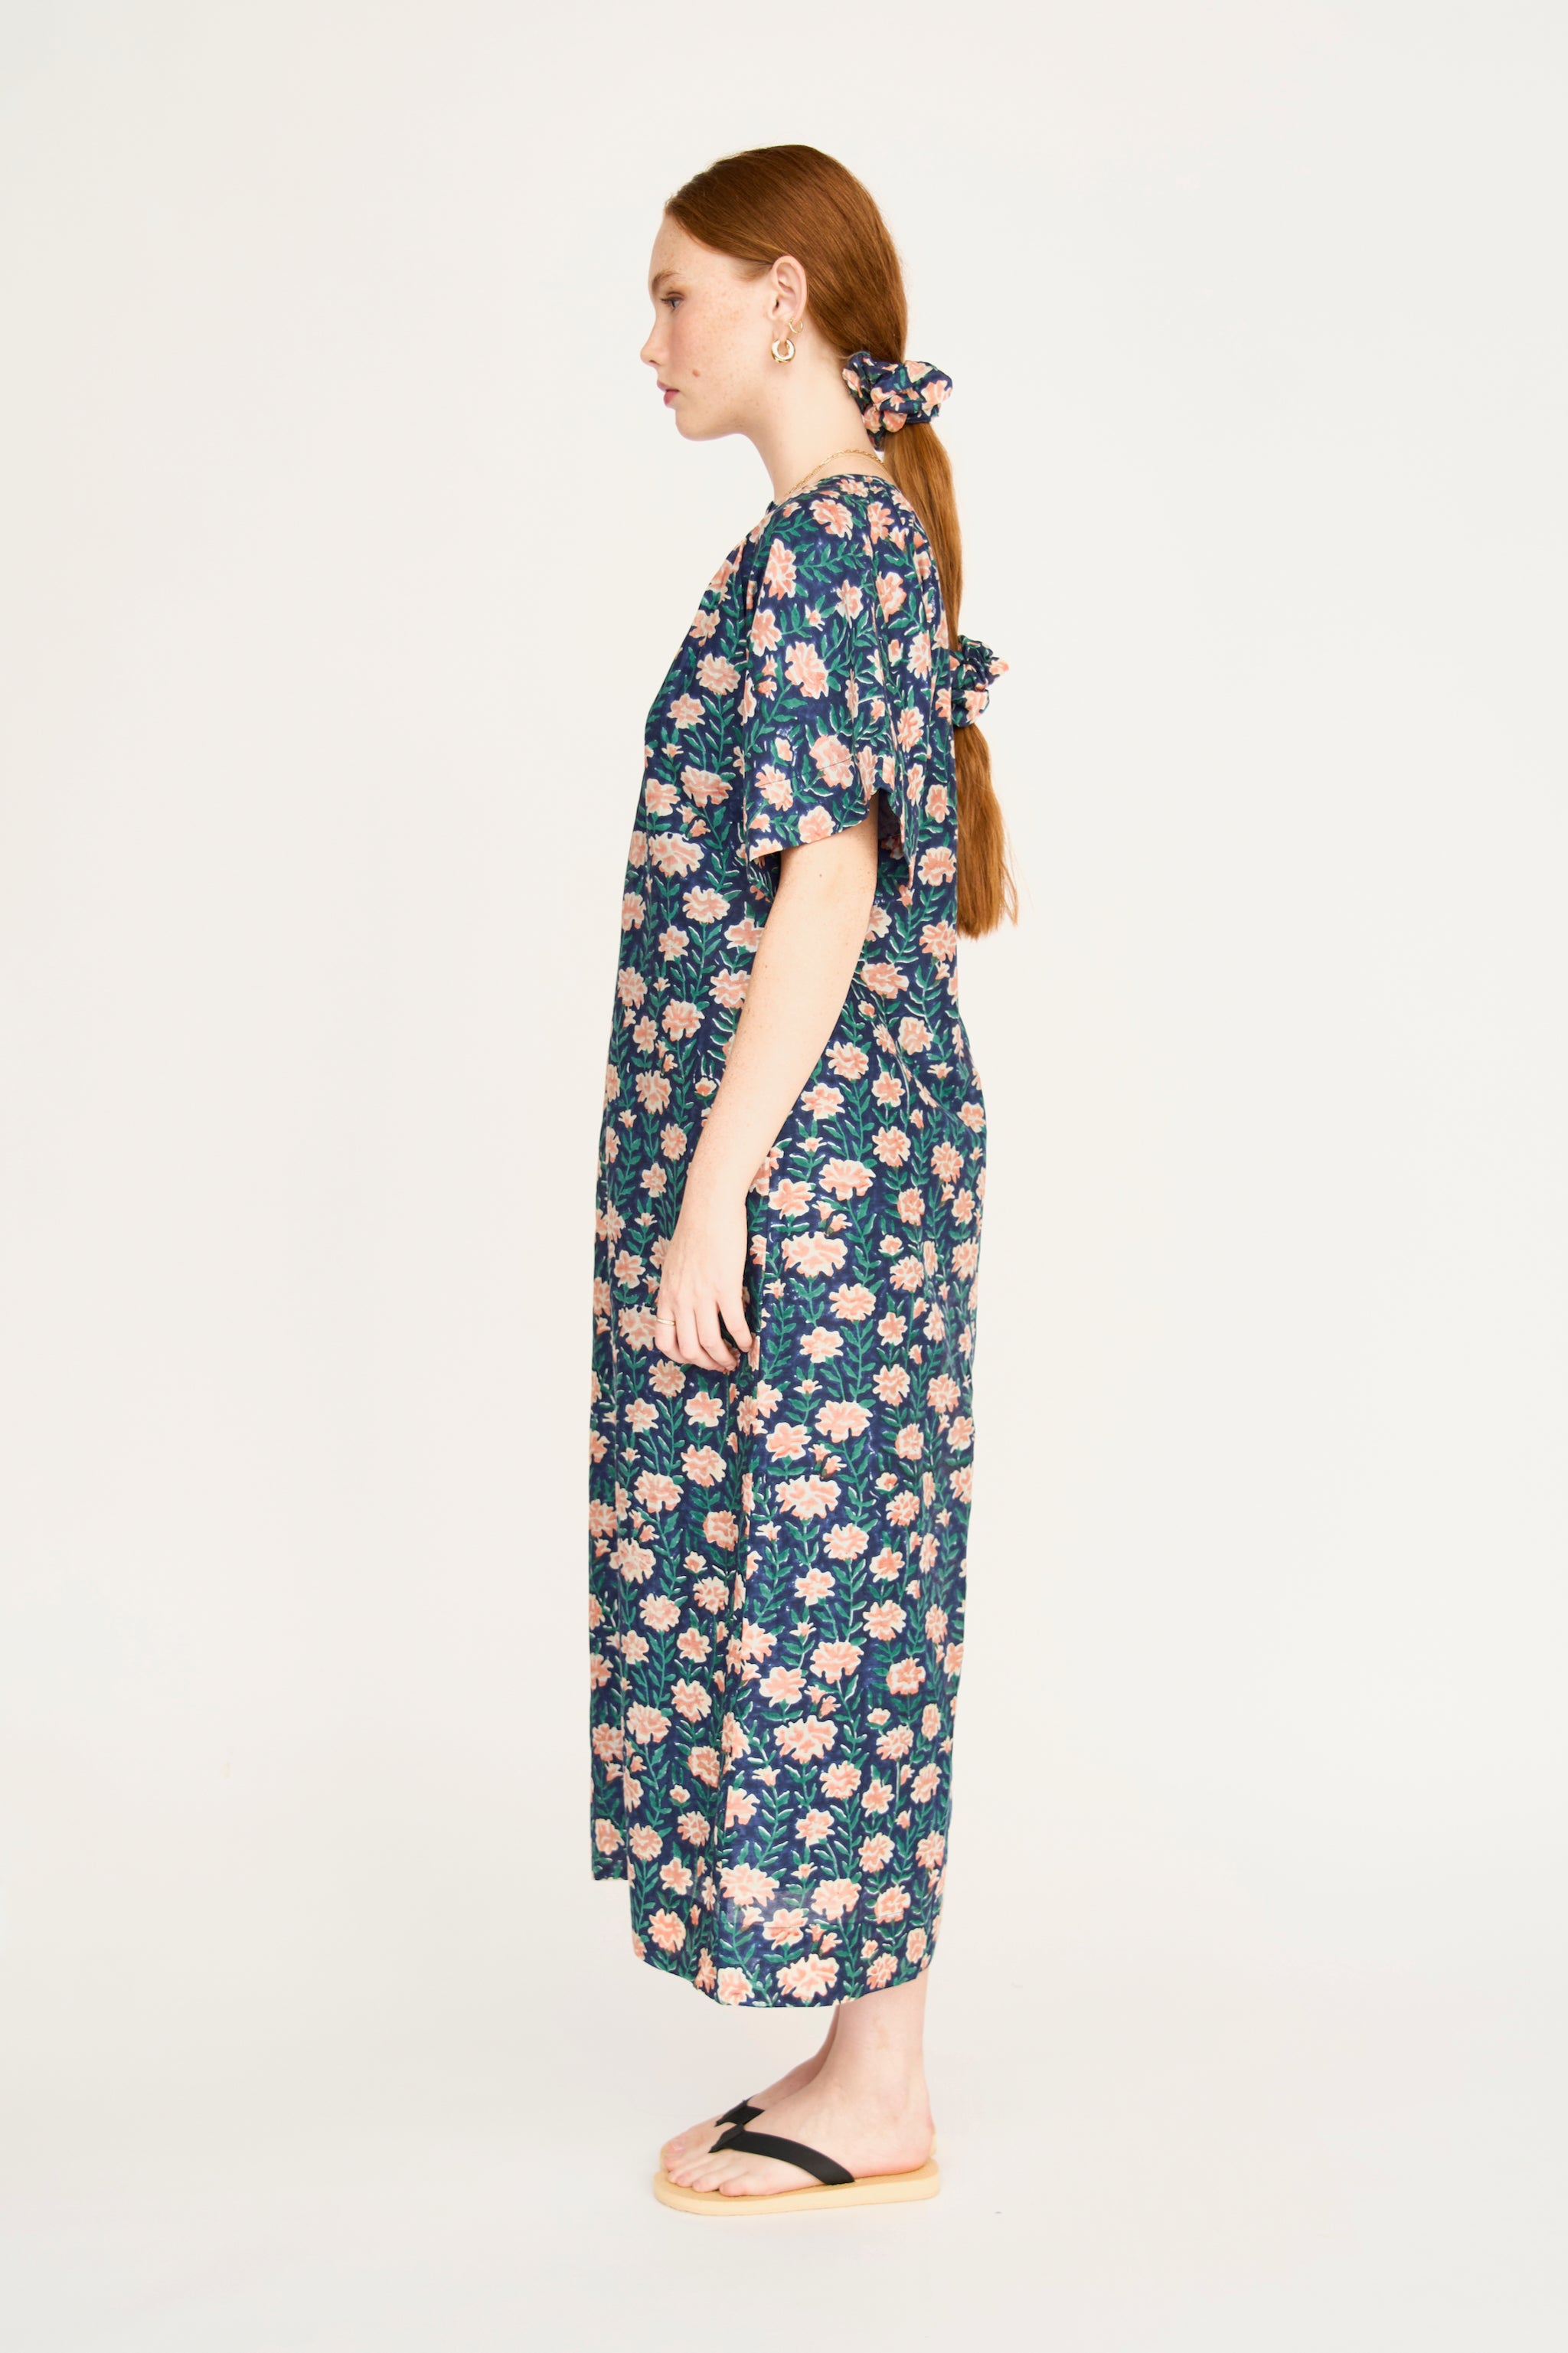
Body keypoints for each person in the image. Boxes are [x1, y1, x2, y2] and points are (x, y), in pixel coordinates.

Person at [587, 143, 1015, 2214]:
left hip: (814, 1164)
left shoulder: (830, 543)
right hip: (836, 1153)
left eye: (675, 294)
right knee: (830, 1567)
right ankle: (865, 2059)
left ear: (782, 294)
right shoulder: (839, 538)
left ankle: (882, 2091)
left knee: (827, 1578)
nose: (650, 339)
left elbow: (827, 889)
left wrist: (714, 1192)